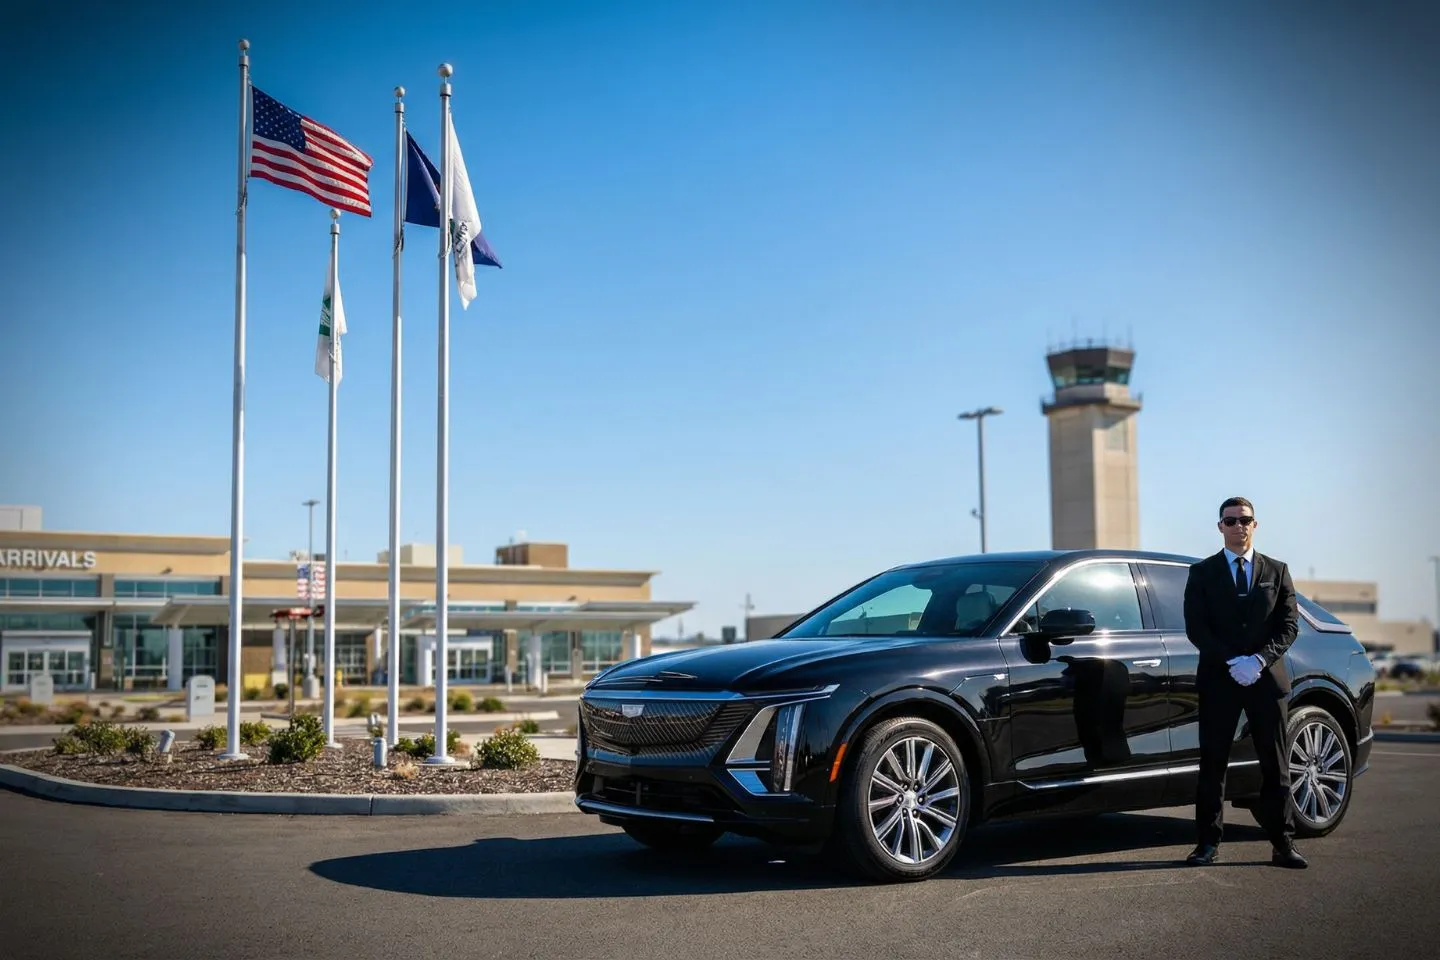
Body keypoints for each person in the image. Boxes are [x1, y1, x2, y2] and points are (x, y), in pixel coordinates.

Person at [1182, 496, 1307, 869]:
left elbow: (1289, 625)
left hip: (1266, 680)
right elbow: (1196, 627)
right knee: (1213, 763)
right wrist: (1231, 661)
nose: (1238, 526)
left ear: (1255, 524)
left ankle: (1283, 844)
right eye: (1231, 520)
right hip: (1219, 679)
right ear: (1220, 526)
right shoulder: (1202, 573)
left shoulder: (1278, 571)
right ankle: (1207, 844)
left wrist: (1259, 660)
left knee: (1275, 763)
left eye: (1245, 520)